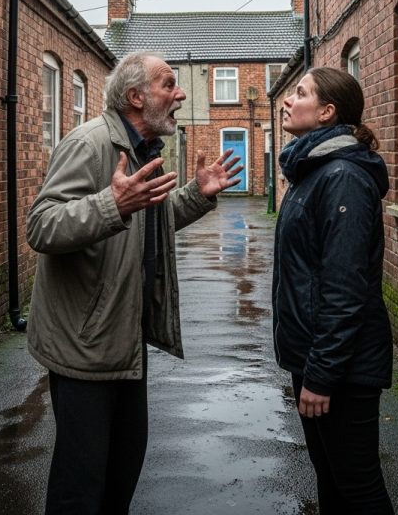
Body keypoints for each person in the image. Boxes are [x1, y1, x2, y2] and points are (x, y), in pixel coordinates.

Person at [26, 51, 242, 515]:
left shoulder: (142, 152)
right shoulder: (90, 144)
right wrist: (112, 205)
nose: (180, 93)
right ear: (135, 97)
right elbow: (41, 227)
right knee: (80, 487)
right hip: (84, 346)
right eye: (169, 84)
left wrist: (194, 196)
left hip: (124, 342)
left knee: (121, 473)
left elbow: (148, 223)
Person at [272, 66, 394, 515]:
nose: (287, 99)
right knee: (332, 480)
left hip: (343, 367)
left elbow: (345, 289)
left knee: (358, 487)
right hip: (317, 358)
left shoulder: (342, 176)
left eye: (299, 93)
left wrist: (321, 374)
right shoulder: (313, 172)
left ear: (326, 112)